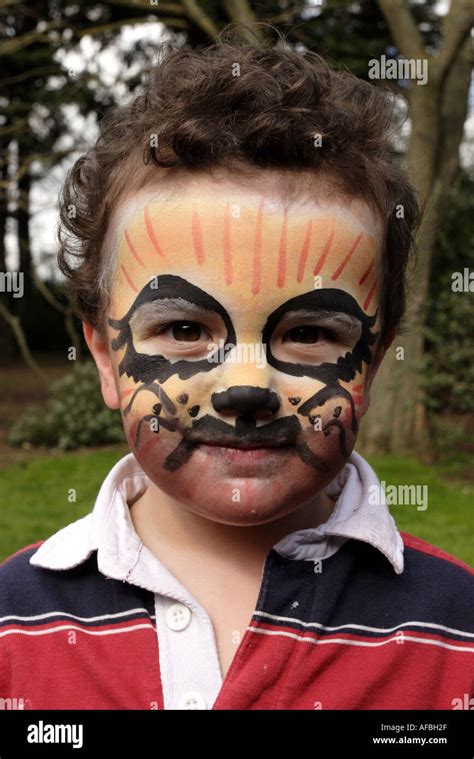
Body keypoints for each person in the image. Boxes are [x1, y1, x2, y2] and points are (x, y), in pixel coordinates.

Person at [1, 33, 472, 711]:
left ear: (371, 358)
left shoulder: (455, 631)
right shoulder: (14, 628)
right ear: (105, 357)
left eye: (310, 333)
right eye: (185, 329)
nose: (244, 388)